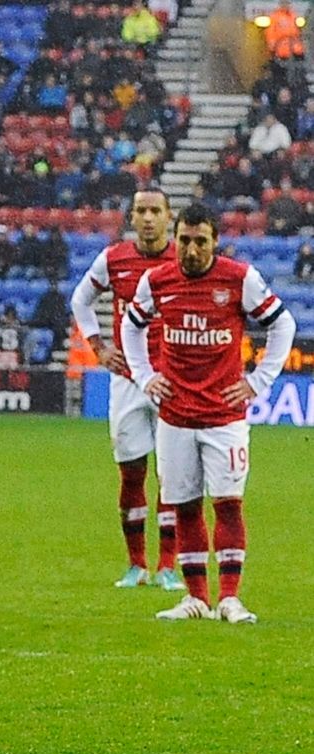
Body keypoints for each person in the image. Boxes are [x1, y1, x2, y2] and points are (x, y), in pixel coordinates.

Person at [121, 204, 296, 622]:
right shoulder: (157, 281)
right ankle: (196, 597)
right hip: (175, 417)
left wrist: (258, 381)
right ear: (175, 239)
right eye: (185, 240)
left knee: (229, 504)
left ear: (215, 241)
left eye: (201, 241)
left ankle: (230, 597)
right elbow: (131, 325)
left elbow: (282, 324)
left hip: (224, 416)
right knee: (184, 507)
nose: (192, 249)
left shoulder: (238, 279)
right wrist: (144, 376)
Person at [68, 187, 184, 591]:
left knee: (172, 474)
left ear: (169, 216)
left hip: (172, 379)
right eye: (141, 211)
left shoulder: (184, 258)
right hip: (128, 381)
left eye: (155, 210)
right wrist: (98, 347)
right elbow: (80, 300)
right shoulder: (114, 258)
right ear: (132, 218)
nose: (148, 218)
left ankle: (168, 566)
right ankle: (137, 566)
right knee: (132, 473)